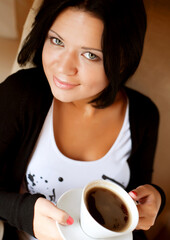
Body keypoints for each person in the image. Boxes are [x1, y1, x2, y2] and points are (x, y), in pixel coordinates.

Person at [0, 0, 166, 239]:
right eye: (57, 41)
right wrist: (23, 212)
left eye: (90, 55)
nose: (64, 68)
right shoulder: (19, 95)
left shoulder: (144, 115)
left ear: (122, 61)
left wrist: (156, 198)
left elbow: (136, 198)